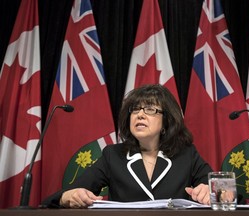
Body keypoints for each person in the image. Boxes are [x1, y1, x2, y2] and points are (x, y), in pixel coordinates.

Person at [42, 84, 213, 208]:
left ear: (166, 122)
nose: (140, 115)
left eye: (150, 110)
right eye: (135, 109)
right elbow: (67, 194)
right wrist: (68, 196)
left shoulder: (186, 155)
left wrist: (210, 191)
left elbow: (221, 190)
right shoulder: (113, 155)